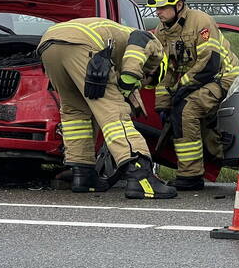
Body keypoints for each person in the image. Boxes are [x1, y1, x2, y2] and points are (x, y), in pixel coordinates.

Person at [39, 17, 176, 199]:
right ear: (154, 70)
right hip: (82, 44)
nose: (143, 84)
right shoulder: (155, 51)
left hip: (48, 44)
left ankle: (83, 175)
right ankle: (140, 175)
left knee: (75, 112)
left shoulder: (117, 41)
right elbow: (140, 41)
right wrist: (128, 80)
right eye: (147, 80)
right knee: (113, 112)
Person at [148, 0, 239, 191]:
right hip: (194, 82)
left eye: (162, 7)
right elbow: (165, 70)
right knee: (177, 111)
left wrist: (181, 89)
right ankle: (202, 163)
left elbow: (209, 64)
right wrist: (163, 103)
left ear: (179, 4)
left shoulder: (201, 21)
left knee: (186, 110)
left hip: (222, 78)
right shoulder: (161, 31)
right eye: (156, 8)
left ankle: (190, 176)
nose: (158, 12)